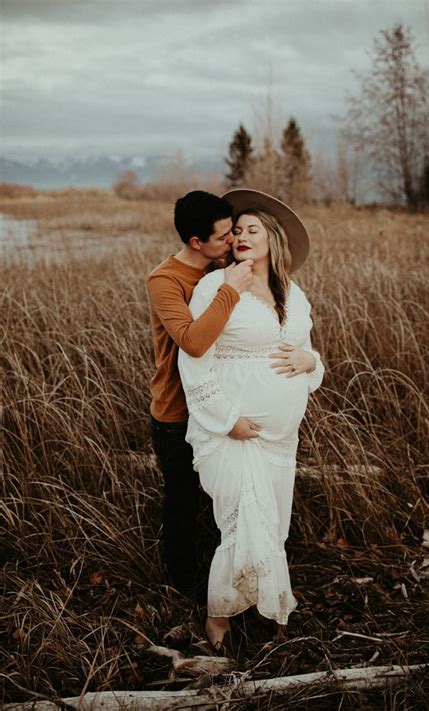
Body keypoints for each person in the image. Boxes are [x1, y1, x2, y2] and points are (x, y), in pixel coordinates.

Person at [177, 189, 325, 650]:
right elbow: (194, 361)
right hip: (232, 432)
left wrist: (310, 362)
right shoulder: (215, 287)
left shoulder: (293, 293)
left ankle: (273, 606)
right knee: (242, 522)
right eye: (235, 230)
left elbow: (309, 353)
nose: (240, 236)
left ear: (272, 238)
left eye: (251, 230)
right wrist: (227, 420)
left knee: (273, 524)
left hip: (281, 436)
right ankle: (218, 619)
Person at [146, 190, 256, 596]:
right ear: (196, 242)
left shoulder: (224, 266)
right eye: (225, 236)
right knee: (182, 504)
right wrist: (231, 289)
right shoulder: (165, 281)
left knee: (223, 499)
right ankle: (182, 588)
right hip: (177, 415)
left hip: (221, 408)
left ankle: (228, 575)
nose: (232, 241)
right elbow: (192, 341)